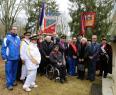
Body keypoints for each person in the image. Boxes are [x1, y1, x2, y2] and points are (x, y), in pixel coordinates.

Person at [1, 26, 20, 90]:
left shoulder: (18, 38)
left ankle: (13, 81)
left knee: (14, 71)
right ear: (11, 30)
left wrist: (19, 56)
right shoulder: (7, 38)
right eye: (13, 29)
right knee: (9, 71)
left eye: (16, 29)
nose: (15, 30)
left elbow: (19, 47)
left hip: (16, 58)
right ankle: (9, 84)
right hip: (9, 58)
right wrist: (4, 57)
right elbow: (3, 48)